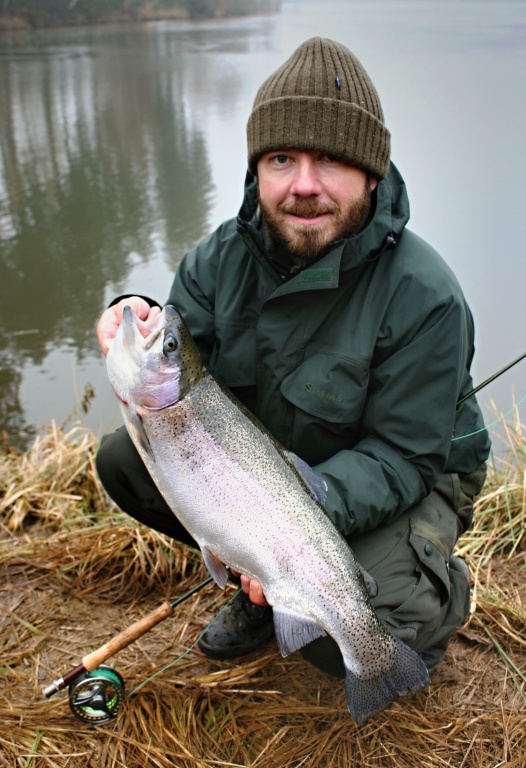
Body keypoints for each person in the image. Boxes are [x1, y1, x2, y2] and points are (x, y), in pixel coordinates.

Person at [96, 37, 490, 678]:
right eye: (282, 158)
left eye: (330, 159)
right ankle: (262, 592)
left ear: (371, 171)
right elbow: (176, 351)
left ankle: (433, 599)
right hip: (267, 468)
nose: (304, 185)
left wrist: (295, 530)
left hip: (405, 474)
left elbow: (404, 457)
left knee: (368, 626)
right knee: (125, 460)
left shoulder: (427, 296)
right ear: (257, 170)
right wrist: (130, 310)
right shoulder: (215, 260)